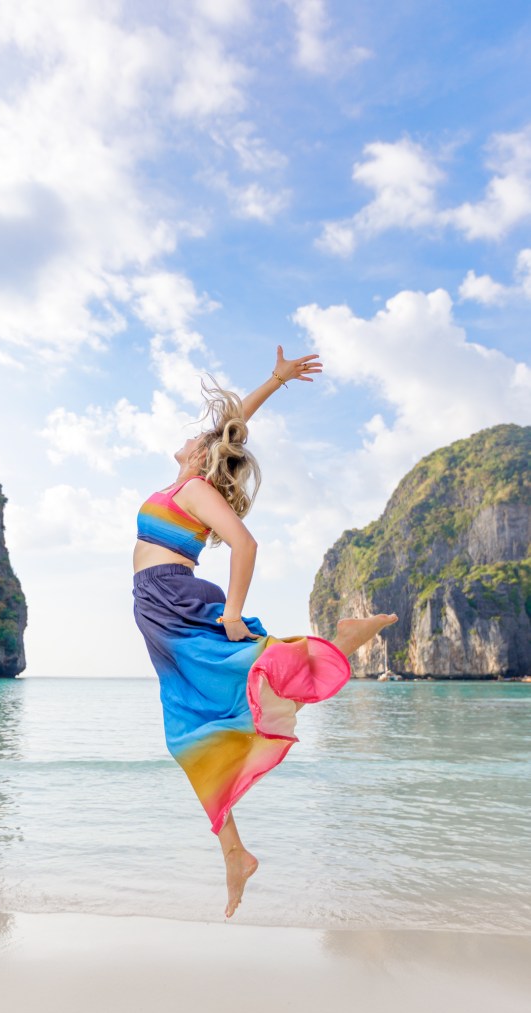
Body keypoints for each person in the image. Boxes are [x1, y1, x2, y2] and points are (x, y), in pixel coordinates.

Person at [133, 346, 397, 919]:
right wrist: (274, 380)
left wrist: (232, 611)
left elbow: (246, 544)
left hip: (175, 602)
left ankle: (343, 643)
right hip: (157, 612)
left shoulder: (194, 491)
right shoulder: (182, 485)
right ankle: (234, 852)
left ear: (204, 457)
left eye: (202, 439)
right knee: (189, 731)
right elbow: (232, 425)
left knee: (247, 675)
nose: (194, 435)